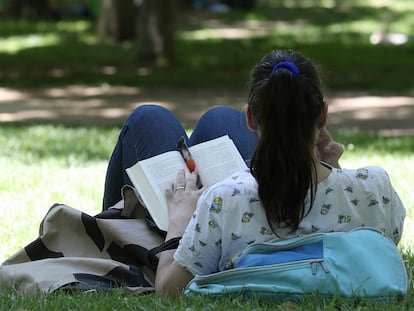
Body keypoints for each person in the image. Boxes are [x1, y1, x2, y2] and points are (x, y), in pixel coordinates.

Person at [102, 49, 406, 296]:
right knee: (219, 119)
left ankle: (104, 245)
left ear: (250, 118)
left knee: (148, 118)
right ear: (323, 114)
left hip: (210, 226)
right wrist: (334, 171)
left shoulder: (223, 199)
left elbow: (169, 289)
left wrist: (180, 220)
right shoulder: (375, 187)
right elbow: (371, 240)